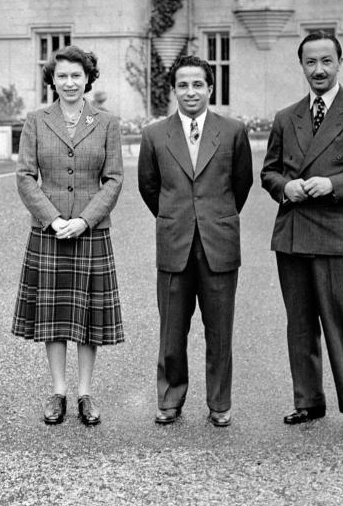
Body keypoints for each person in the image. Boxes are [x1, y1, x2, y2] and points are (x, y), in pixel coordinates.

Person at [261, 31, 343, 438]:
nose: (318, 69)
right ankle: (308, 401)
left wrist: (333, 185)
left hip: (340, 235)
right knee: (299, 323)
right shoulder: (287, 117)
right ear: (301, 66)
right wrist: (286, 187)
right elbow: (268, 172)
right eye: (310, 62)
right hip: (294, 234)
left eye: (326, 61)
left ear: (339, 63)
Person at [12, 45, 124, 427]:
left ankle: (85, 393)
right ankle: (58, 391)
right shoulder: (37, 120)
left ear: (88, 78)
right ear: (52, 80)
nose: (70, 82)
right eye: (62, 76)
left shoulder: (107, 122)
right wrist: (53, 219)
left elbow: (114, 180)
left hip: (91, 233)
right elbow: (25, 176)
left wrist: (86, 220)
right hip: (50, 232)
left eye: (77, 75)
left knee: (89, 317)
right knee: (55, 315)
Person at [137, 55, 253, 427]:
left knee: (220, 331)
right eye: (183, 85)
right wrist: (176, 218)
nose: (190, 92)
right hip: (174, 243)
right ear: (173, 90)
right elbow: (149, 186)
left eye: (197, 84)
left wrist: (214, 218)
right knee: (172, 330)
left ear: (210, 88)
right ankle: (170, 399)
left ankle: (219, 403)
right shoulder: (155, 134)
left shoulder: (233, 131)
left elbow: (241, 184)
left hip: (218, 244)